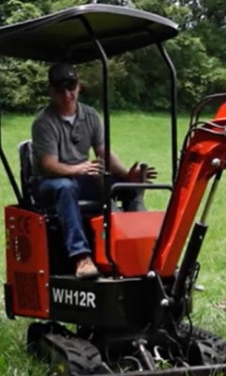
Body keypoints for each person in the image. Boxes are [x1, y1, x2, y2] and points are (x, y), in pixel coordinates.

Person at [32, 62, 157, 279]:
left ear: (79, 87)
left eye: (71, 87)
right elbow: (49, 165)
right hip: (49, 183)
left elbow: (103, 153)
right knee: (65, 186)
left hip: (81, 177)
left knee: (125, 186)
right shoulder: (44, 122)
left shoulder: (89, 116)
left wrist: (127, 176)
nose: (67, 94)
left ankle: (141, 250)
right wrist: (79, 168)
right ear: (52, 90)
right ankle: (81, 257)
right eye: (60, 89)